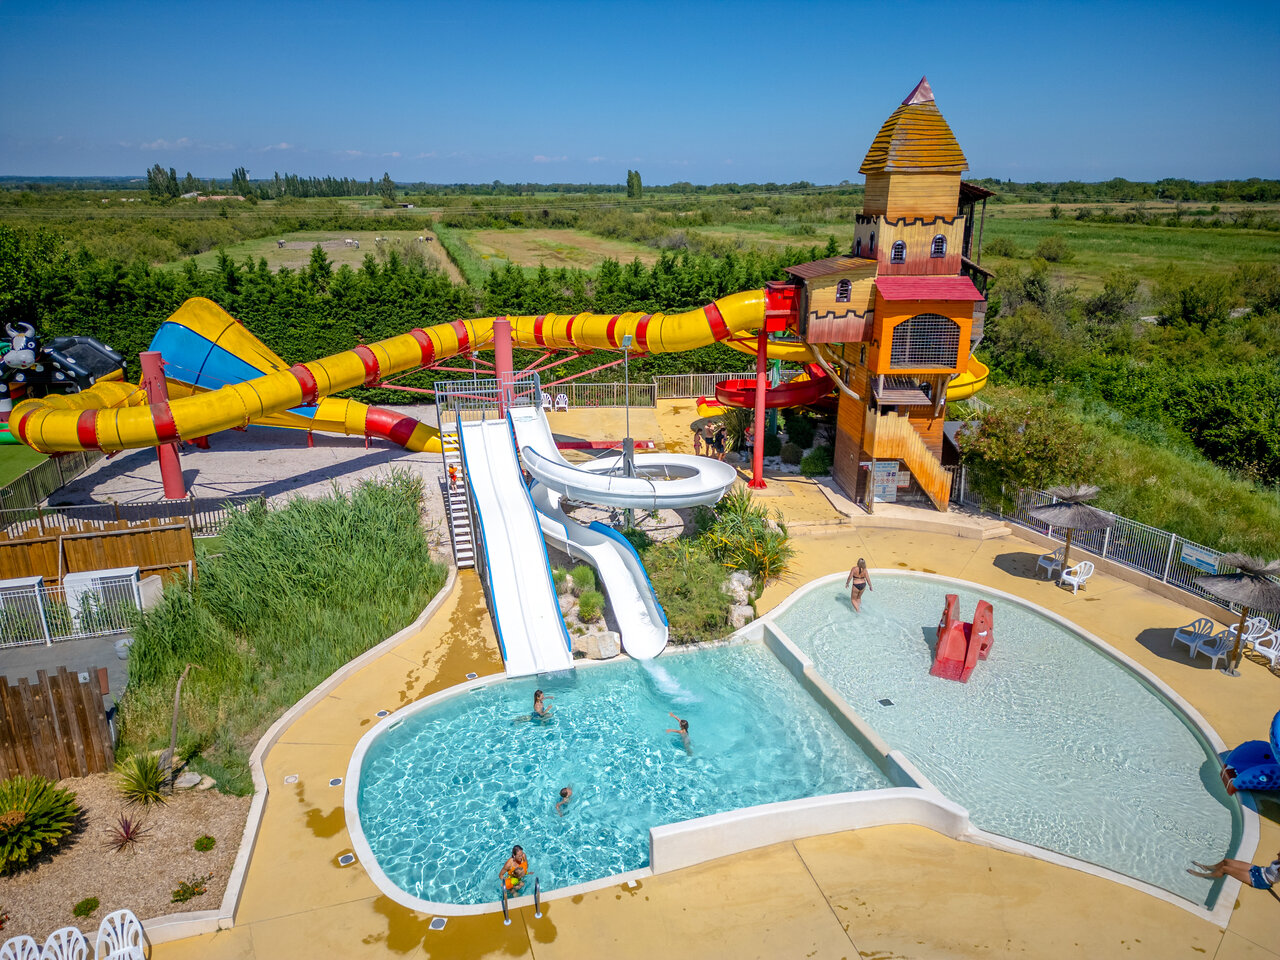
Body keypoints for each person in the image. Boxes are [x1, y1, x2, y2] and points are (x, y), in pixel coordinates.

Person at [1188, 849, 1280, 894]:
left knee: (1225, 869)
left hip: (1260, 880)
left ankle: (1203, 875)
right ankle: (1206, 867)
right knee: (1226, 861)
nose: (1277, 854)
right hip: (1259, 870)